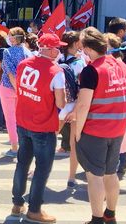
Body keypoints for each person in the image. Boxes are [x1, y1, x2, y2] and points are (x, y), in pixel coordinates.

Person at [74, 27, 126, 224]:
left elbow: (83, 105)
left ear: (88, 48)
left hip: (96, 130)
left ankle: (96, 219)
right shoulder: (120, 65)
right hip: (118, 128)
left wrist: (78, 132)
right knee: (111, 173)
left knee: (94, 176)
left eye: (81, 46)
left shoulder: (91, 71)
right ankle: (110, 214)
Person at [11, 34, 66, 223]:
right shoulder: (55, 71)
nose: (59, 51)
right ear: (49, 49)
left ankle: (17, 203)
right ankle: (34, 209)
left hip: (23, 121)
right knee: (42, 168)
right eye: (57, 47)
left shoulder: (24, 64)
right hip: (43, 125)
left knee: (22, 163)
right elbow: (61, 102)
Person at [107, 17, 126, 178]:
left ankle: (108, 162)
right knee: (123, 126)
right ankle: (121, 163)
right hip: (125, 91)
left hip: (105, 93)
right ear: (120, 32)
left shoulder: (101, 44)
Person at [57, 31, 87, 188]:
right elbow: (82, 89)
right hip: (74, 106)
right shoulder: (79, 63)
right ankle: (71, 177)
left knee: (48, 140)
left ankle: (37, 169)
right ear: (75, 44)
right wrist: (75, 109)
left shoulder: (57, 60)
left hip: (58, 106)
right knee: (74, 143)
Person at [0, 27, 32, 158]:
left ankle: (14, 147)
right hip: (25, 89)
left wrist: (17, 89)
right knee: (22, 119)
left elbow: (11, 73)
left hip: (8, 87)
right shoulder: (28, 53)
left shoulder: (8, 52)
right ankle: (23, 146)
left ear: (13, 38)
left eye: (9, 35)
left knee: (10, 119)